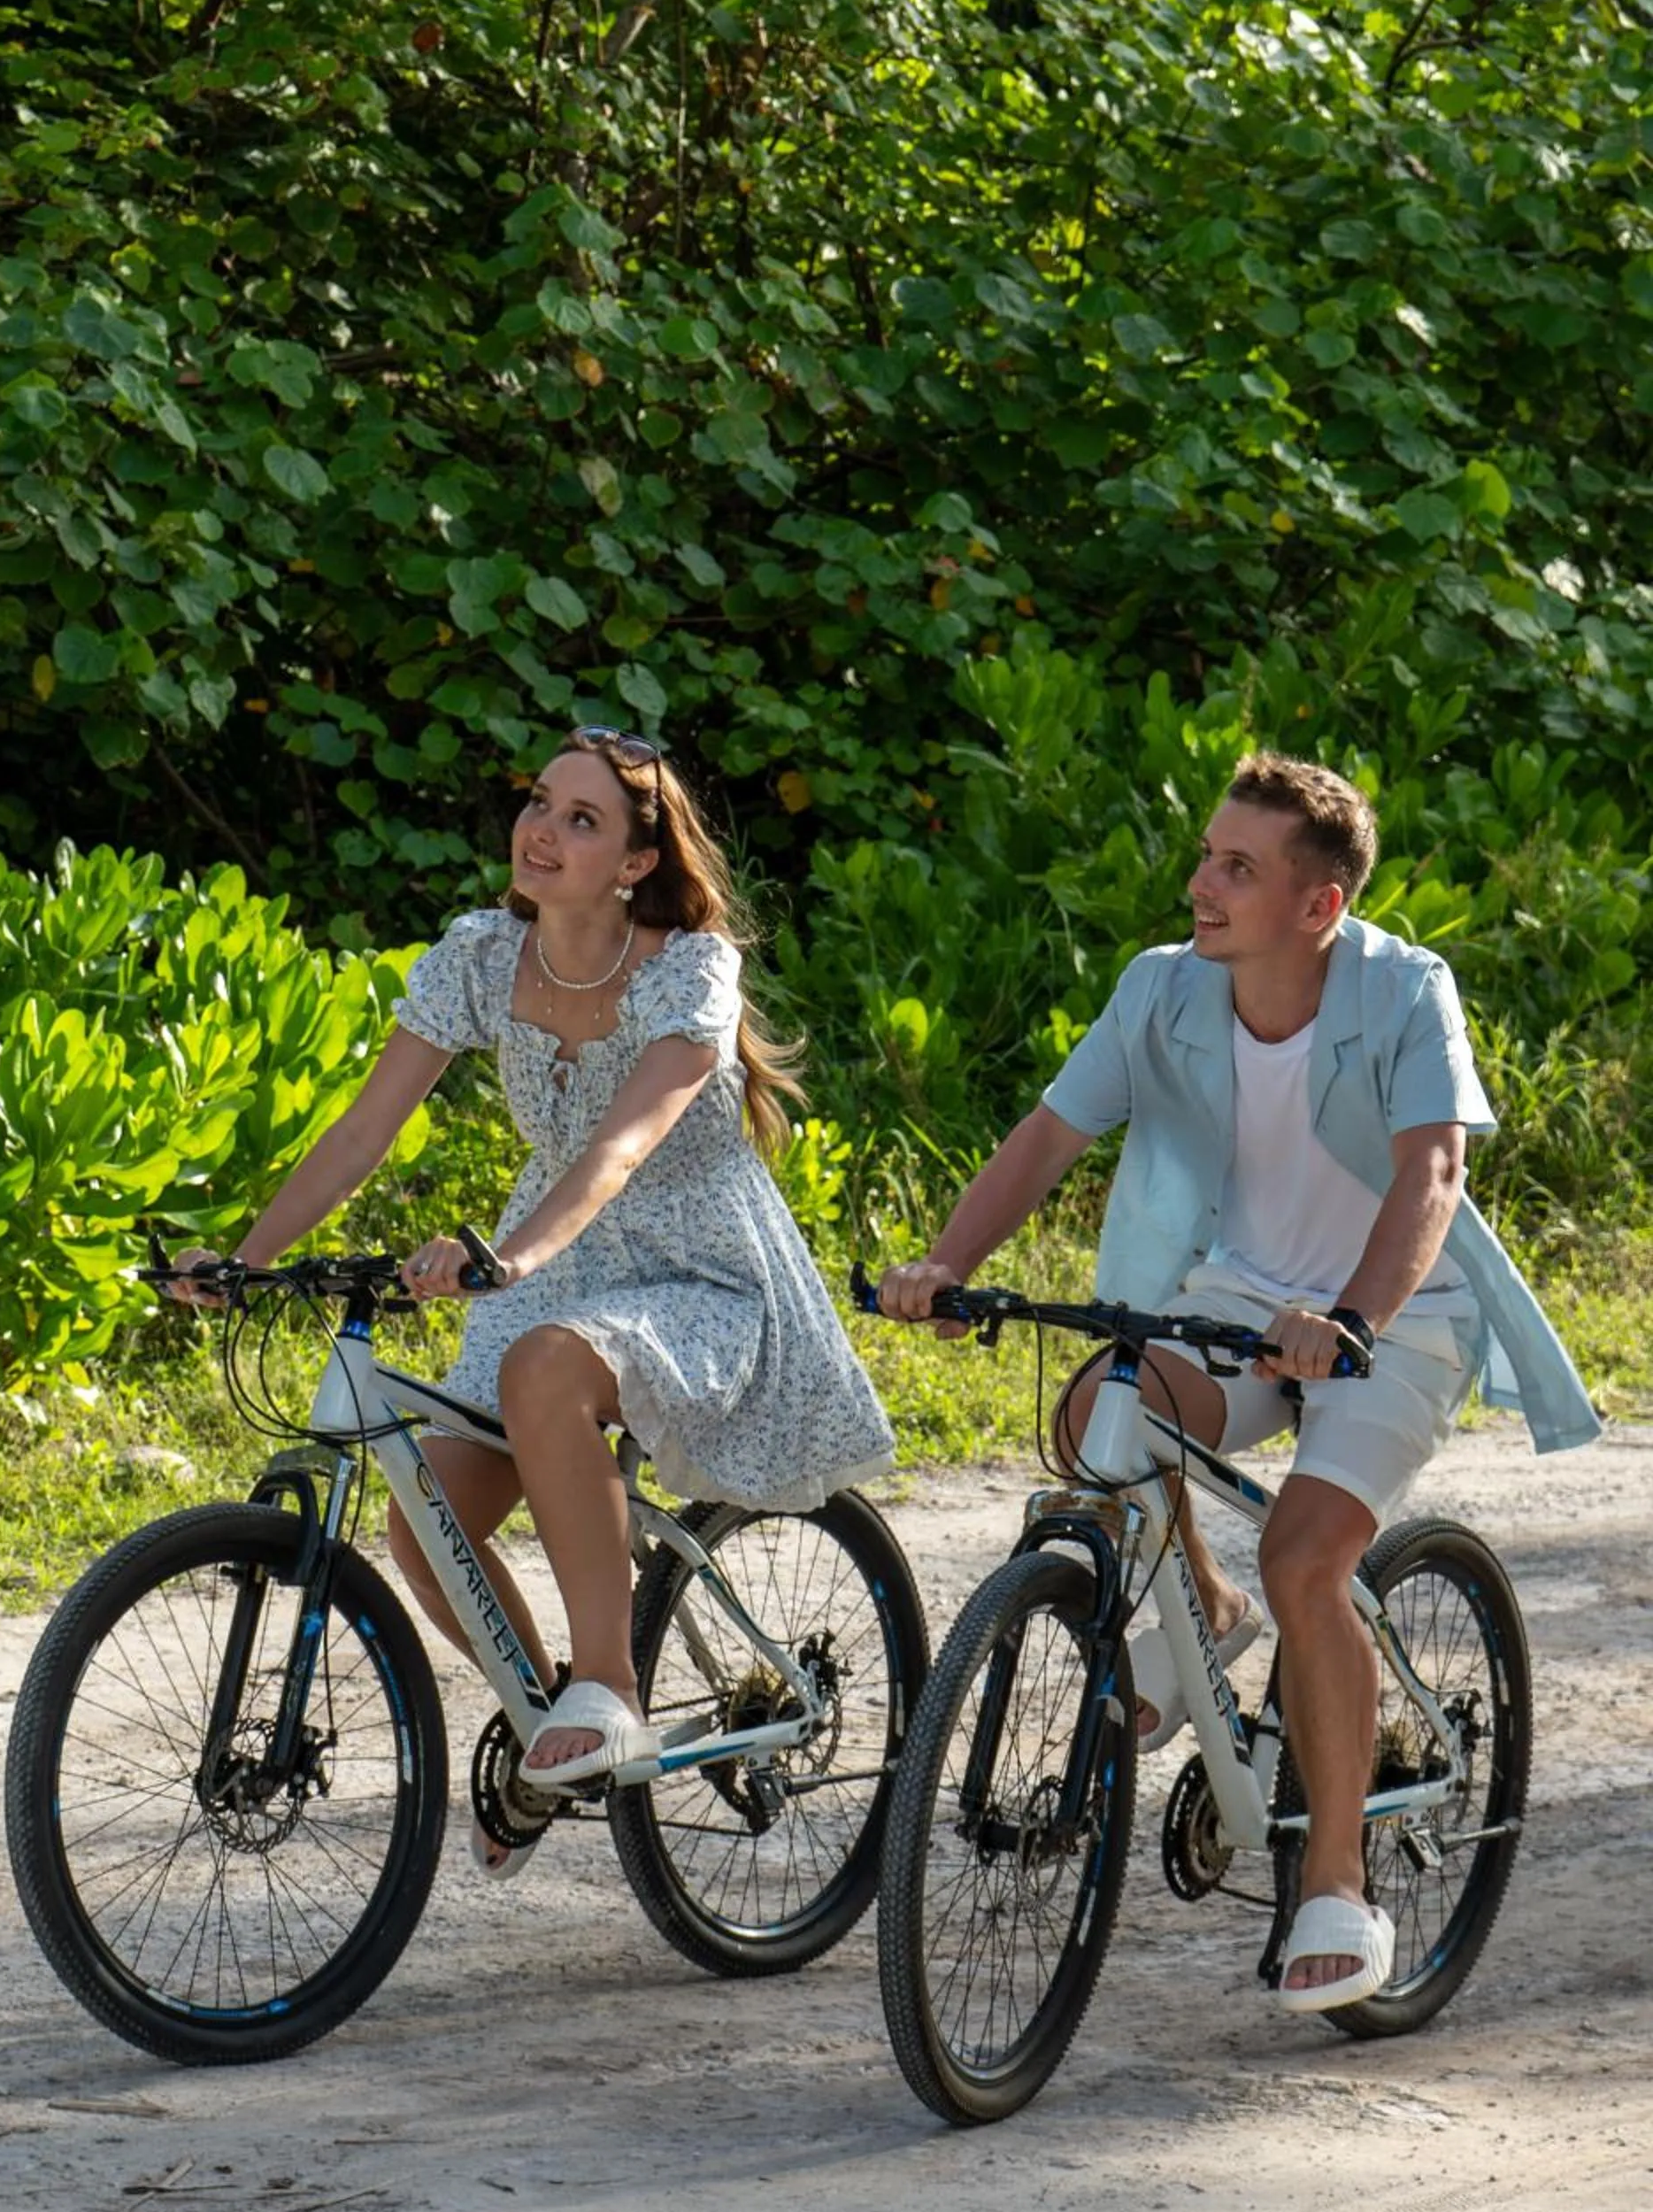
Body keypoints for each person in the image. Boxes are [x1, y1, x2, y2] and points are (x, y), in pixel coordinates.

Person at [878, 751, 1597, 2014]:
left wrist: (1355, 1320)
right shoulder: (1164, 990)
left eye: (1237, 868)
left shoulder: (1402, 990)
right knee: (1100, 1422)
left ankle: (1335, 1878)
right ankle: (1201, 1608)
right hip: (1236, 1299)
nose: (1201, 883)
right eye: (1209, 855)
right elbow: (1050, 1134)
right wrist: (948, 1262)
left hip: (1396, 1315)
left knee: (1308, 1559)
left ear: (1319, 906)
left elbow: (1432, 1177)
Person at [174, 726, 894, 1868]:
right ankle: (547, 1711)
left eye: (582, 820)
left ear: (634, 865)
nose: (543, 831)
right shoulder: (478, 957)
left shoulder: (687, 972)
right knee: (428, 1521)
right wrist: (249, 1258)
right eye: (539, 804)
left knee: (543, 1365)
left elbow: (619, 1148)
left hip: (694, 1265)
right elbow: (368, 1127)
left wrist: (507, 1257)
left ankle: (607, 1682)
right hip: (547, 1263)